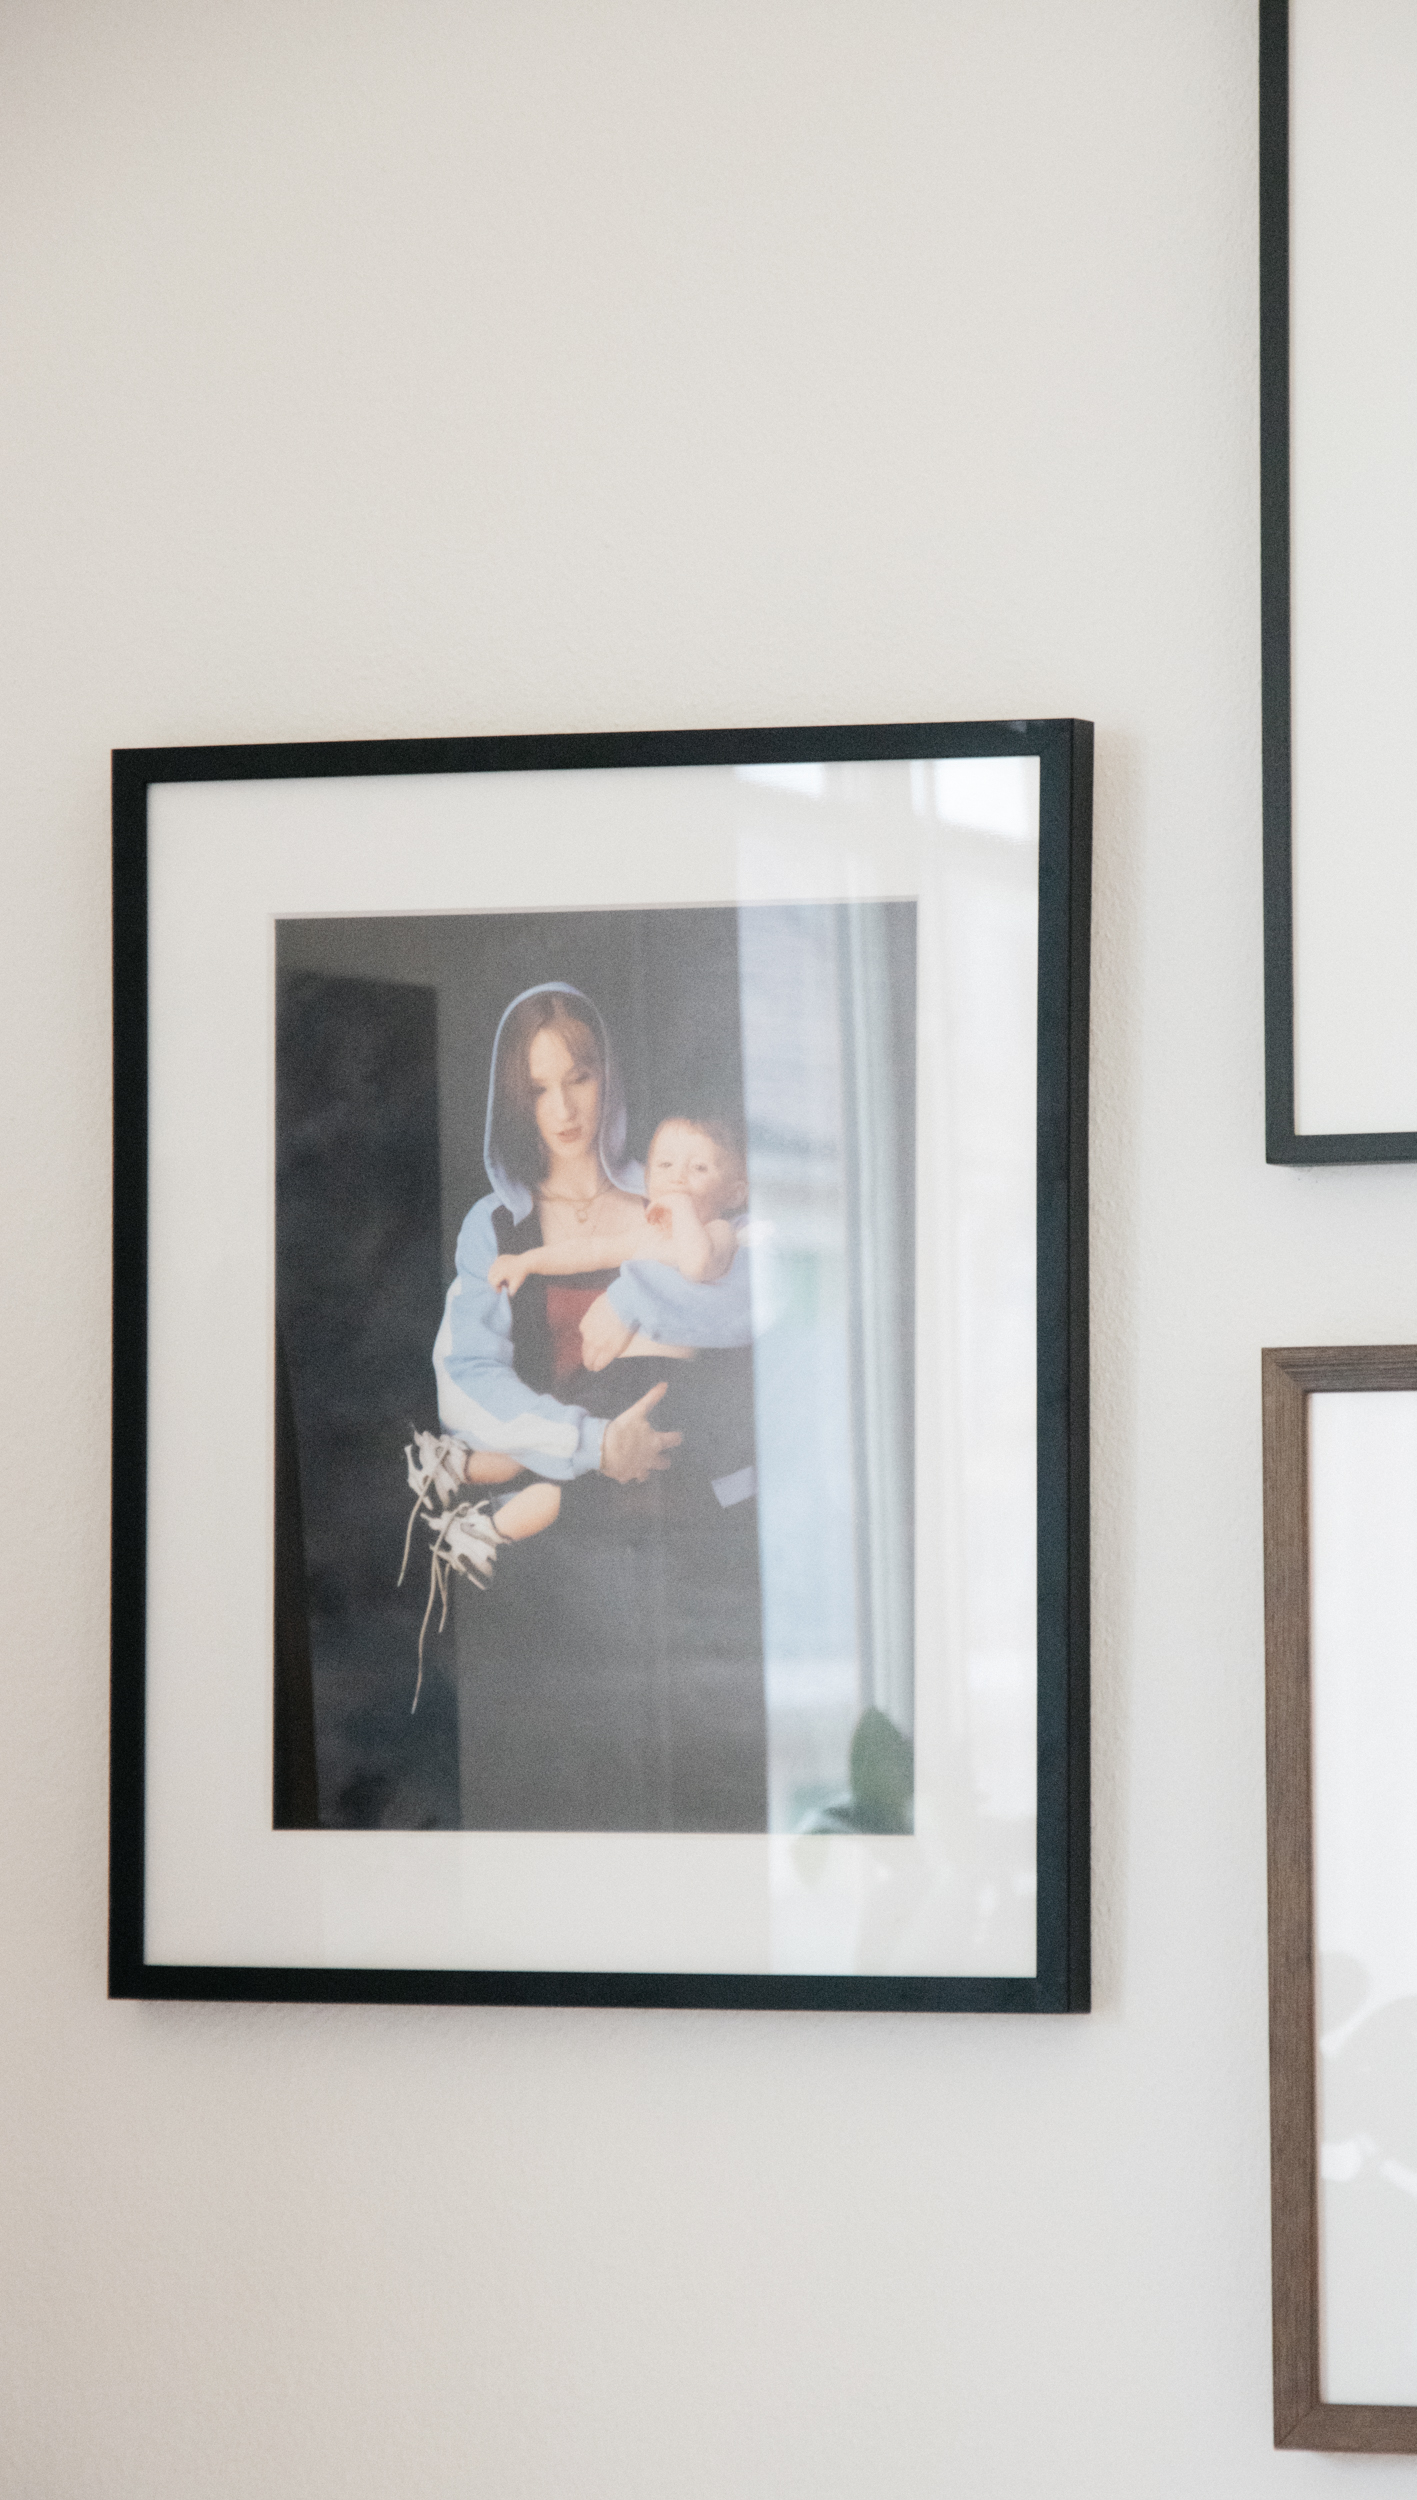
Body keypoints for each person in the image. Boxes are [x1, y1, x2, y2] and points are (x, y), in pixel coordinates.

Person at [428, 982, 766, 1833]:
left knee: (709, 1803)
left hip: (699, 1554)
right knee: (573, 1811)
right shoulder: (498, 1229)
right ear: (515, 1098)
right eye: (538, 1088)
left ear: (605, 1073)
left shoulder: (676, 1195)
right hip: (565, 1575)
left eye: (576, 1077)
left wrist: (640, 1295)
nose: (562, 1107)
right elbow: (467, 1380)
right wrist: (587, 1444)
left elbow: (754, 1308)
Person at [462, 1111, 754, 1551]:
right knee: (557, 1438)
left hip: (662, 1382)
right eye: (665, 1166)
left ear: (734, 1192)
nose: (678, 1179)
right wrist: (528, 1262)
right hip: (613, 1376)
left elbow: (696, 1265)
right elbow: (589, 1252)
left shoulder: (719, 1233)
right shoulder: (648, 1235)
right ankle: (458, 1472)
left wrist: (677, 1208)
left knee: (568, 1476)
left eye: (699, 1169)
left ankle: (484, 1532)